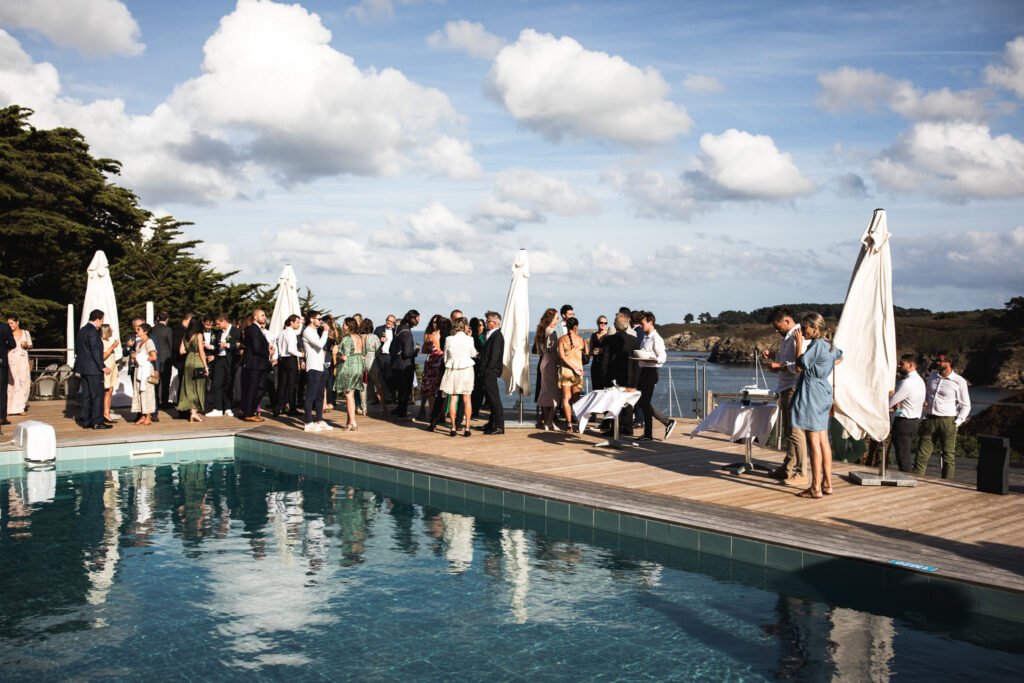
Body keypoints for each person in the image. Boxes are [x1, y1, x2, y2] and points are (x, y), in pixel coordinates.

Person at [791, 312, 844, 499]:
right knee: (823, 439)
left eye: (804, 328)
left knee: (813, 441)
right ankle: (827, 483)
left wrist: (799, 345)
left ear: (815, 328)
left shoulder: (816, 345)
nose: (802, 331)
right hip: (824, 389)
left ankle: (815, 487)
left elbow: (799, 365)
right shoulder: (830, 345)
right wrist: (824, 368)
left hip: (812, 390)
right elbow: (840, 357)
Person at [763, 307, 809, 486]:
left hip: (794, 387)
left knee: (796, 431)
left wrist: (779, 366)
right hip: (785, 386)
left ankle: (801, 471)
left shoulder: (799, 336)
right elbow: (786, 358)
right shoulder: (788, 337)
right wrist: (774, 356)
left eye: (778, 326)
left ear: (787, 321)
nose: (776, 330)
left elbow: (801, 363)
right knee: (789, 431)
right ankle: (788, 467)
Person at [914, 351, 971, 480]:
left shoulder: (959, 381)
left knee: (948, 456)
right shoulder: (933, 377)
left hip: (947, 421)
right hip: (929, 419)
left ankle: (947, 484)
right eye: (937, 360)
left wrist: (957, 423)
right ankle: (915, 481)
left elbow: (966, 405)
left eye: (940, 361)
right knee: (921, 454)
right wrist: (925, 403)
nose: (937, 363)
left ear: (949, 363)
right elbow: (928, 395)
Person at [635, 311, 676, 442]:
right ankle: (650, 432)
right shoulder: (646, 337)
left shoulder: (656, 338)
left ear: (650, 322)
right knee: (641, 401)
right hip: (644, 370)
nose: (641, 326)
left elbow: (662, 357)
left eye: (642, 324)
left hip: (651, 372)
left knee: (644, 402)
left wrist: (652, 360)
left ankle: (664, 424)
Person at [599, 312, 640, 435]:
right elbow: (636, 361)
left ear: (615, 326)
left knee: (613, 402)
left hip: (613, 375)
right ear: (626, 326)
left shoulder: (609, 339)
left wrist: (603, 373)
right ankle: (628, 427)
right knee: (627, 402)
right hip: (630, 374)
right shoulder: (634, 340)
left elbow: (605, 359)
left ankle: (614, 429)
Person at [74, 309, 112, 429]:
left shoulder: (82, 330)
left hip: (83, 368)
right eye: (102, 320)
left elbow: (78, 349)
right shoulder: (93, 332)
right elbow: (95, 351)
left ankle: (86, 421)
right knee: (97, 395)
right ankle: (97, 422)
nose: (102, 322)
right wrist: (103, 367)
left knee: (86, 395)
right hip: (94, 369)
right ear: (99, 319)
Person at [439, 317, 477, 437]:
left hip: (453, 369)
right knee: (467, 399)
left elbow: (445, 357)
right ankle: (467, 427)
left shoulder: (449, 339)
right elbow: (473, 354)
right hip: (466, 370)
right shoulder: (469, 339)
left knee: (453, 399)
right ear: (465, 326)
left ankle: (453, 427)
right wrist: (469, 337)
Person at [889, 353, 926, 473]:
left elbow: (890, 402)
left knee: (903, 456)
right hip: (913, 421)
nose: (899, 366)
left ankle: (907, 479)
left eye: (902, 364)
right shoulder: (920, 381)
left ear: (910, 365)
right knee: (905, 454)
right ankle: (907, 477)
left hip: (903, 422)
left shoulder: (907, 383)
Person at [301, 310, 332, 433]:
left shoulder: (314, 331)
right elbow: (319, 345)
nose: (321, 321)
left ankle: (319, 419)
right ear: (311, 319)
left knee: (320, 395)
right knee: (311, 395)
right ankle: (308, 422)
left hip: (320, 366)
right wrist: (325, 331)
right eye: (319, 319)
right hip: (313, 367)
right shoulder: (307, 331)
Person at [557, 317, 588, 432]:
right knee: (576, 398)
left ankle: (569, 424)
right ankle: (580, 421)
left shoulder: (561, 339)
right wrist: (576, 368)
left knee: (566, 398)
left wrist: (572, 367)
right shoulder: (581, 339)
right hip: (578, 372)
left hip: (566, 371)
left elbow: (562, 356)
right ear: (576, 327)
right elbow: (587, 353)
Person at [335, 317, 366, 431]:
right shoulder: (359, 337)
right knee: (351, 396)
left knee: (349, 397)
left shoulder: (347, 339)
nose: (343, 326)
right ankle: (348, 422)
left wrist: (337, 354)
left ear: (349, 326)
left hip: (349, 367)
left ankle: (353, 422)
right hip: (358, 367)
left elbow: (344, 357)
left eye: (345, 324)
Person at [206, 313, 239, 417]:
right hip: (219, 359)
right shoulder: (219, 332)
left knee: (228, 384)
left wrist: (227, 345)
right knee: (216, 383)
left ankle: (228, 408)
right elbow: (216, 346)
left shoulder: (235, 331)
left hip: (230, 360)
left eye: (218, 323)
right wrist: (212, 349)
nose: (217, 326)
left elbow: (239, 346)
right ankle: (218, 408)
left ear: (223, 321)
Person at [176, 317, 209, 422]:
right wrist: (205, 366)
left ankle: (192, 413)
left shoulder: (185, 335)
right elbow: (201, 351)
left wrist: (189, 350)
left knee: (189, 387)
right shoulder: (199, 335)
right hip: (197, 360)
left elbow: (181, 351)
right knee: (197, 387)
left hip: (188, 361)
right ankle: (194, 413)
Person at [389, 310, 420, 419]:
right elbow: (407, 353)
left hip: (396, 363)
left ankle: (399, 409)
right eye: (417, 318)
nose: (418, 321)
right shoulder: (407, 333)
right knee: (405, 390)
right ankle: (402, 412)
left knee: (400, 389)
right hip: (405, 365)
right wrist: (415, 352)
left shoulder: (399, 329)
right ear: (412, 318)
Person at [241, 309, 271, 421]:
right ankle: (249, 413)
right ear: (255, 318)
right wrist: (267, 351)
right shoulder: (253, 329)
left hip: (258, 364)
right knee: (254, 389)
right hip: (255, 364)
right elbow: (257, 348)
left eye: (264, 315)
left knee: (260, 388)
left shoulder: (255, 329)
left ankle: (250, 410)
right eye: (262, 315)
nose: (264, 317)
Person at [534, 308, 561, 430]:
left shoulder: (541, 331)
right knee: (556, 393)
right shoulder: (552, 332)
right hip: (550, 362)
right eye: (556, 318)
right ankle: (549, 421)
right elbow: (554, 351)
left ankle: (547, 420)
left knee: (545, 391)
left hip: (543, 361)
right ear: (551, 319)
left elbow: (538, 350)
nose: (557, 320)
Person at [480, 311, 505, 435]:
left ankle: (499, 426)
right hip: (488, 371)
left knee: (494, 399)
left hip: (490, 372)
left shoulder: (497, 336)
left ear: (494, 323)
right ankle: (492, 423)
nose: (485, 323)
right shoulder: (491, 335)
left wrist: (487, 370)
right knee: (490, 399)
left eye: (487, 321)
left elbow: (494, 356)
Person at [419, 314, 446, 423]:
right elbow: (424, 350)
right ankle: (431, 414)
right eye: (433, 321)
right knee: (430, 390)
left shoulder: (443, 334)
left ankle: (441, 414)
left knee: (440, 390)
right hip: (430, 363)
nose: (434, 324)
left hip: (439, 363)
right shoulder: (428, 334)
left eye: (436, 322)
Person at [130, 323, 158, 426]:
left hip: (145, 370)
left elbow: (154, 357)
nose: (137, 331)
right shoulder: (139, 343)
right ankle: (142, 415)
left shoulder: (149, 342)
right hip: (138, 370)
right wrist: (134, 357)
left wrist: (141, 357)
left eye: (139, 329)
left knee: (147, 392)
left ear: (145, 331)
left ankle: (148, 417)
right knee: (139, 392)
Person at [275, 314, 302, 416]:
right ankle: (292, 408)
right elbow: (291, 349)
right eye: (297, 322)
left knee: (282, 385)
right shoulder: (291, 333)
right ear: (292, 322)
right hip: (290, 360)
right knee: (292, 385)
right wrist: (301, 354)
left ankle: (278, 408)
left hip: (282, 360)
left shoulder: (281, 333)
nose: (299, 324)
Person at [5, 314, 32, 416]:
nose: (10, 325)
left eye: (12, 323)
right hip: (11, 361)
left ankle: (21, 407)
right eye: (8, 323)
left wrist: (26, 346)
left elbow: (31, 345)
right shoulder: (7, 333)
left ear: (17, 322)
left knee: (23, 383)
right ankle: (9, 408)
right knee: (10, 384)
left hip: (23, 361)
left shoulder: (26, 333)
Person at [360, 319, 386, 414]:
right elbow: (378, 352)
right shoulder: (374, 337)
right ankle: (382, 406)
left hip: (361, 361)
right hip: (372, 361)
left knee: (363, 386)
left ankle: (364, 409)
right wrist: (382, 343)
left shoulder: (358, 337)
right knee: (378, 385)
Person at [151, 310, 174, 408]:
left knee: (155, 381)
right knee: (165, 382)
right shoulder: (168, 330)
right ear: (167, 319)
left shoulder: (152, 329)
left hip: (155, 358)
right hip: (166, 358)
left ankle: (155, 401)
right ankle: (164, 402)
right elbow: (171, 344)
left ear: (157, 318)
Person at [373, 314, 397, 403]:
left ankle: (389, 398)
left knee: (388, 377)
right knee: (378, 378)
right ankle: (377, 399)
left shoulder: (395, 331)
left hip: (389, 356)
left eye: (391, 321)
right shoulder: (379, 329)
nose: (388, 322)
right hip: (379, 355)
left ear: (393, 323)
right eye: (388, 320)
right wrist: (380, 340)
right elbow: (373, 341)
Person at [0, 313, 17, 427]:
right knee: (2, 390)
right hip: (1, 361)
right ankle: (2, 417)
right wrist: (3, 349)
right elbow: (12, 344)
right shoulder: (5, 327)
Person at [100, 323, 119, 423]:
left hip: (111, 369)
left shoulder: (108, 341)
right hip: (106, 369)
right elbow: (103, 356)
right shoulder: (102, 342)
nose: (112, 331)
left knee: (110, 390)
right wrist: (112, 347)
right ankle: (105, 413)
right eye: (110, 330)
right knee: (106, 391)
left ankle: (106, 412)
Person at [589, 315, 609, 391]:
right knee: (596, 389)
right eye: (601, 322)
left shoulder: (609, 335)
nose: (603, 324)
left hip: (606, 366)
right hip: (595, 366)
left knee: (606, 390)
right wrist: (593, 352)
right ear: (597, 323)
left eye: (605, 323)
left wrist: (603, 350)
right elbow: (589, 352)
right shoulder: (593, 336)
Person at [323, 315, 339, 411]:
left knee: (328, 380)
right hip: (328, 356)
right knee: (327, 380)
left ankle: (327, 401)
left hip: (328, 357)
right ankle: (327, 402)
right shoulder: (330, 332)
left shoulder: (329, 332)